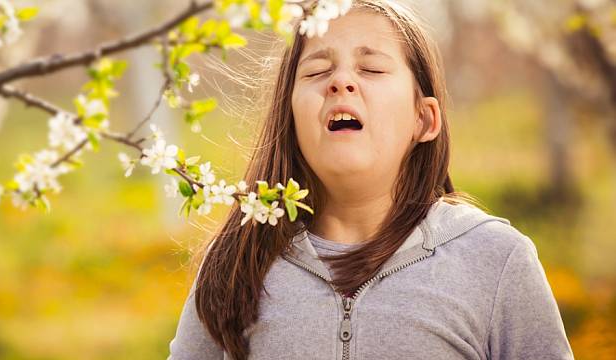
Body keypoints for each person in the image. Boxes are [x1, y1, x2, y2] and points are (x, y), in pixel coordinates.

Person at [167, 0, 575, 359]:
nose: (340, 82)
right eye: (316, 72)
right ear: (289, 119)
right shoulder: (236, 262)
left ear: (424, 119)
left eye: (372, 68)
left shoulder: (496, 260)